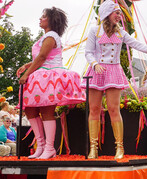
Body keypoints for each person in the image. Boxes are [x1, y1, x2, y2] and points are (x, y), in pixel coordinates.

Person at [80, 0, 147, 159]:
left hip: (113, 71)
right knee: (94, 109)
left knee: (114, 109)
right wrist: (94, 64)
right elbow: (88, 52)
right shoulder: (94, 30)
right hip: (96, 70)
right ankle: (93, 148)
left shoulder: (121, 33)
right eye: (117, 12)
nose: (120, 16)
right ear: (106, 13)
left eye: (120, 12)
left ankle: (119, 147)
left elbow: (137, 45)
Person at [17, 7, 85, 159]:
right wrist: (27, 66)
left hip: (49, 77)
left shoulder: (51, 36)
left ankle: (49, 148)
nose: (40, 19)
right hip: (40, 76)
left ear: (51, 20)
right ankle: (41, 146)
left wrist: (26, 74)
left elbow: (42, 58)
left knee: (47, 111)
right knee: (30, 110)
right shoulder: (46, 36)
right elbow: (42, 58)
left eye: (43, 17)